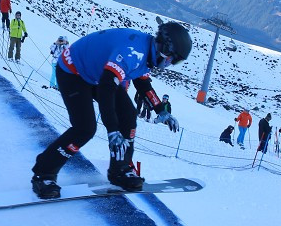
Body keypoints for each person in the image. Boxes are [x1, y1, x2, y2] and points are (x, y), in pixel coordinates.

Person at [31, 22, 191, 199]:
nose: (170, 64)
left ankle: (120, 169)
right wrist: (113, 130)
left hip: (97, 73)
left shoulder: (147, 53)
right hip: (73, 71)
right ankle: (44, 173)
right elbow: (106, 89)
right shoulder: (132, 52)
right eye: (172, 59)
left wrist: (161, 110)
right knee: (84, 128)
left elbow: (142, 83)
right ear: (164, 49)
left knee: (129, 116)